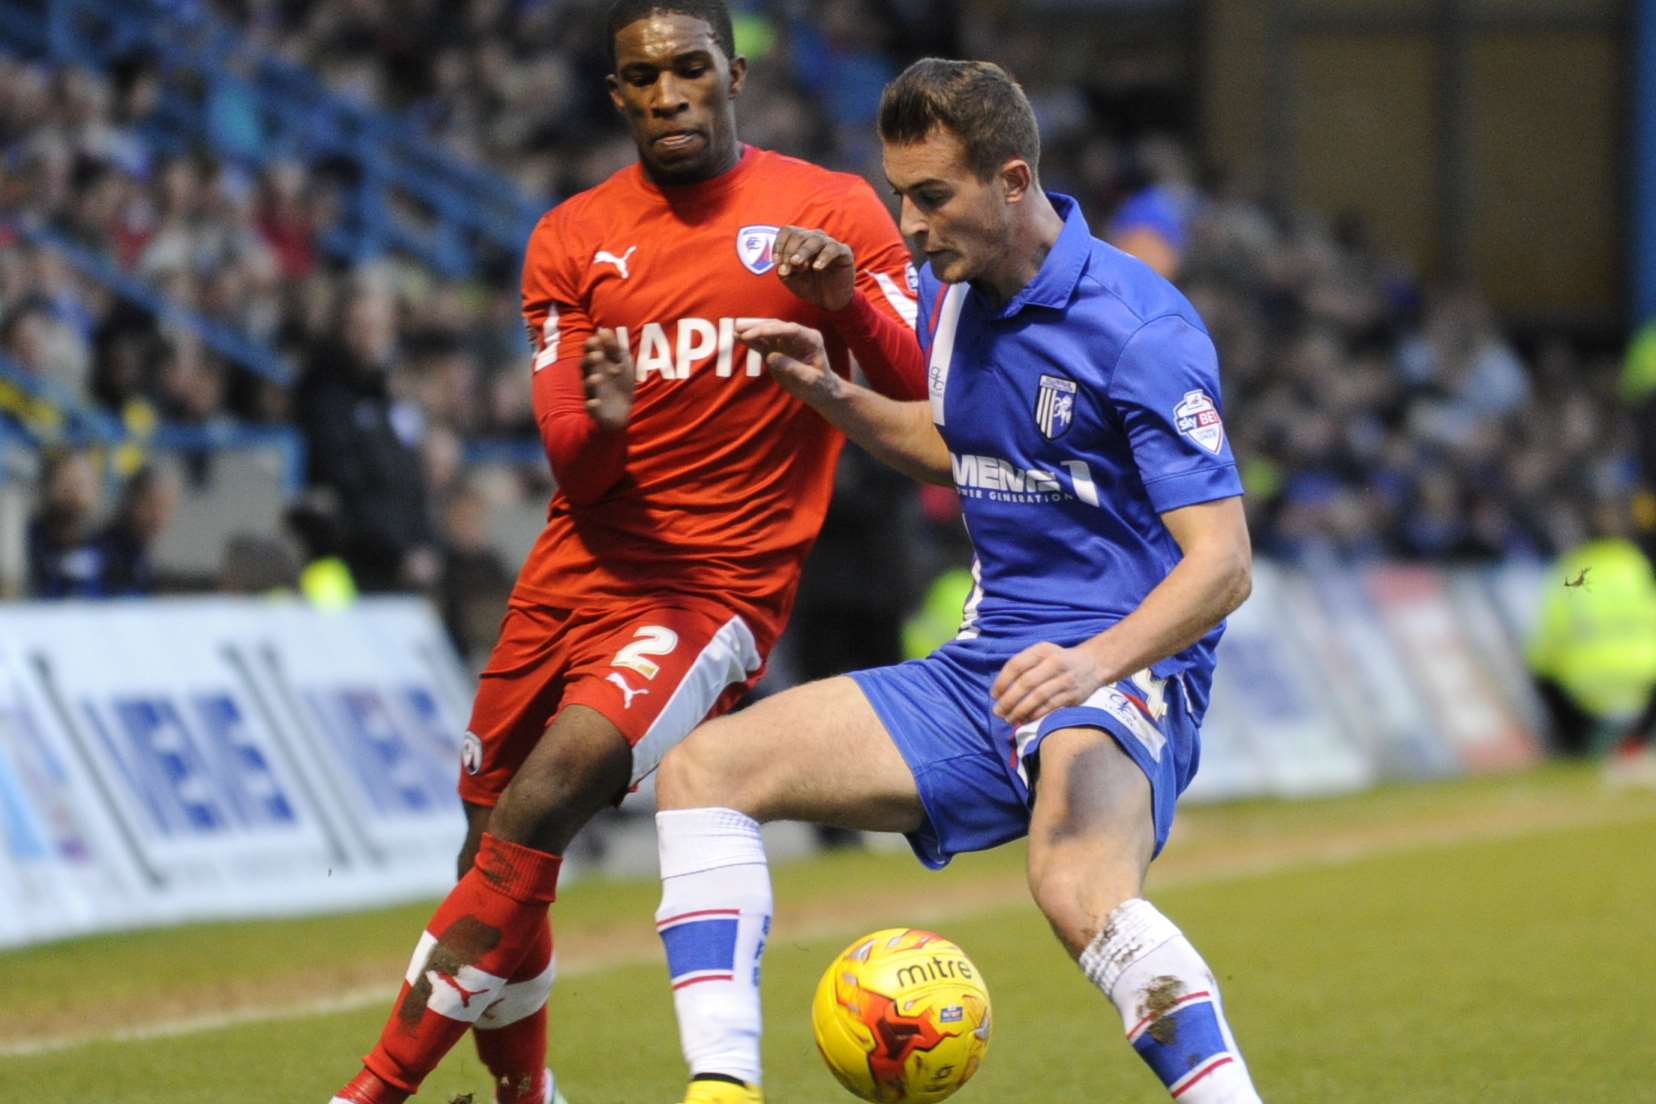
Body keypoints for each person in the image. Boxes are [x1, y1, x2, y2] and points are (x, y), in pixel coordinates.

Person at [329, 2, 922, 1102]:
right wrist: (599, 424)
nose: (667, 95)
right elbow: (574, 467)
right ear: (617, 94)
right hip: (572, 573)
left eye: (689, 69)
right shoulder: (569, 238)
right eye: (642, 78)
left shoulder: (830, 212)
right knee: (494, 860)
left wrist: (849, 306)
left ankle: (366, 1094)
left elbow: (921, 391)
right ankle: (526, 1096)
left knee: (544, 801)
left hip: (713, 591)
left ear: (733, 73)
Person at [650, 59, 1263, 1104]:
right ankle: (721, 1092)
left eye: (931, 196)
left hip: (1122, 673)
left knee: (1074, 883)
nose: (909, 223)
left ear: (1013, 181)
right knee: (702, 772)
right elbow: (955, 447)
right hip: (985, 670)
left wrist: (1091, 665)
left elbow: (1225, 563)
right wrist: (828, 389)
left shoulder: (1140, 328)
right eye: (898, 193)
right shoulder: (953, 297)